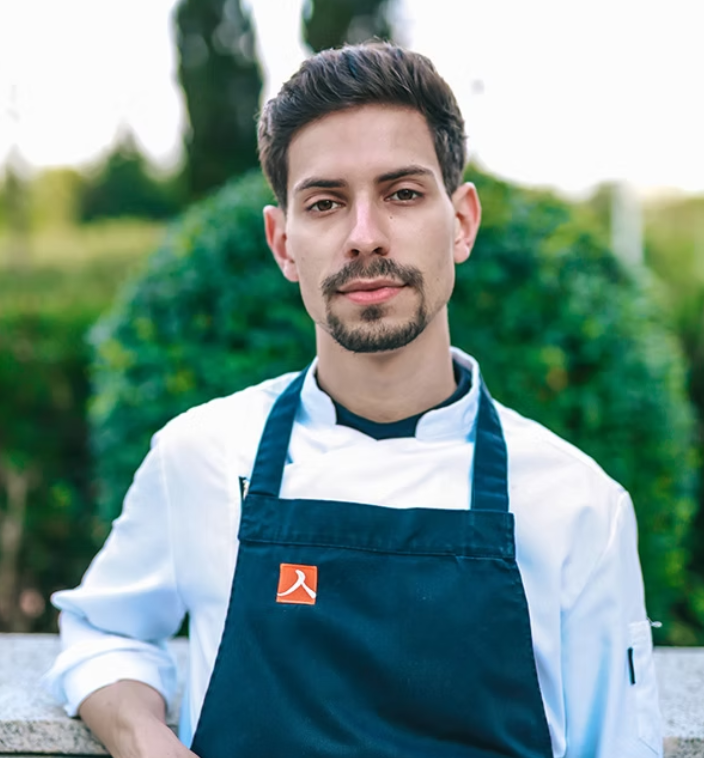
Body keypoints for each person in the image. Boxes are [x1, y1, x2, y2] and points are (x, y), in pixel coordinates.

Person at [45, 42, 663, 758]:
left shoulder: (579, 507)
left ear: (461, 223)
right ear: (284, 242)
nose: (364, 237)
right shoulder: (201, 456)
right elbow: (105, 632)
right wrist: (145, 738)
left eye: (402, 194)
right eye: (326, 203)